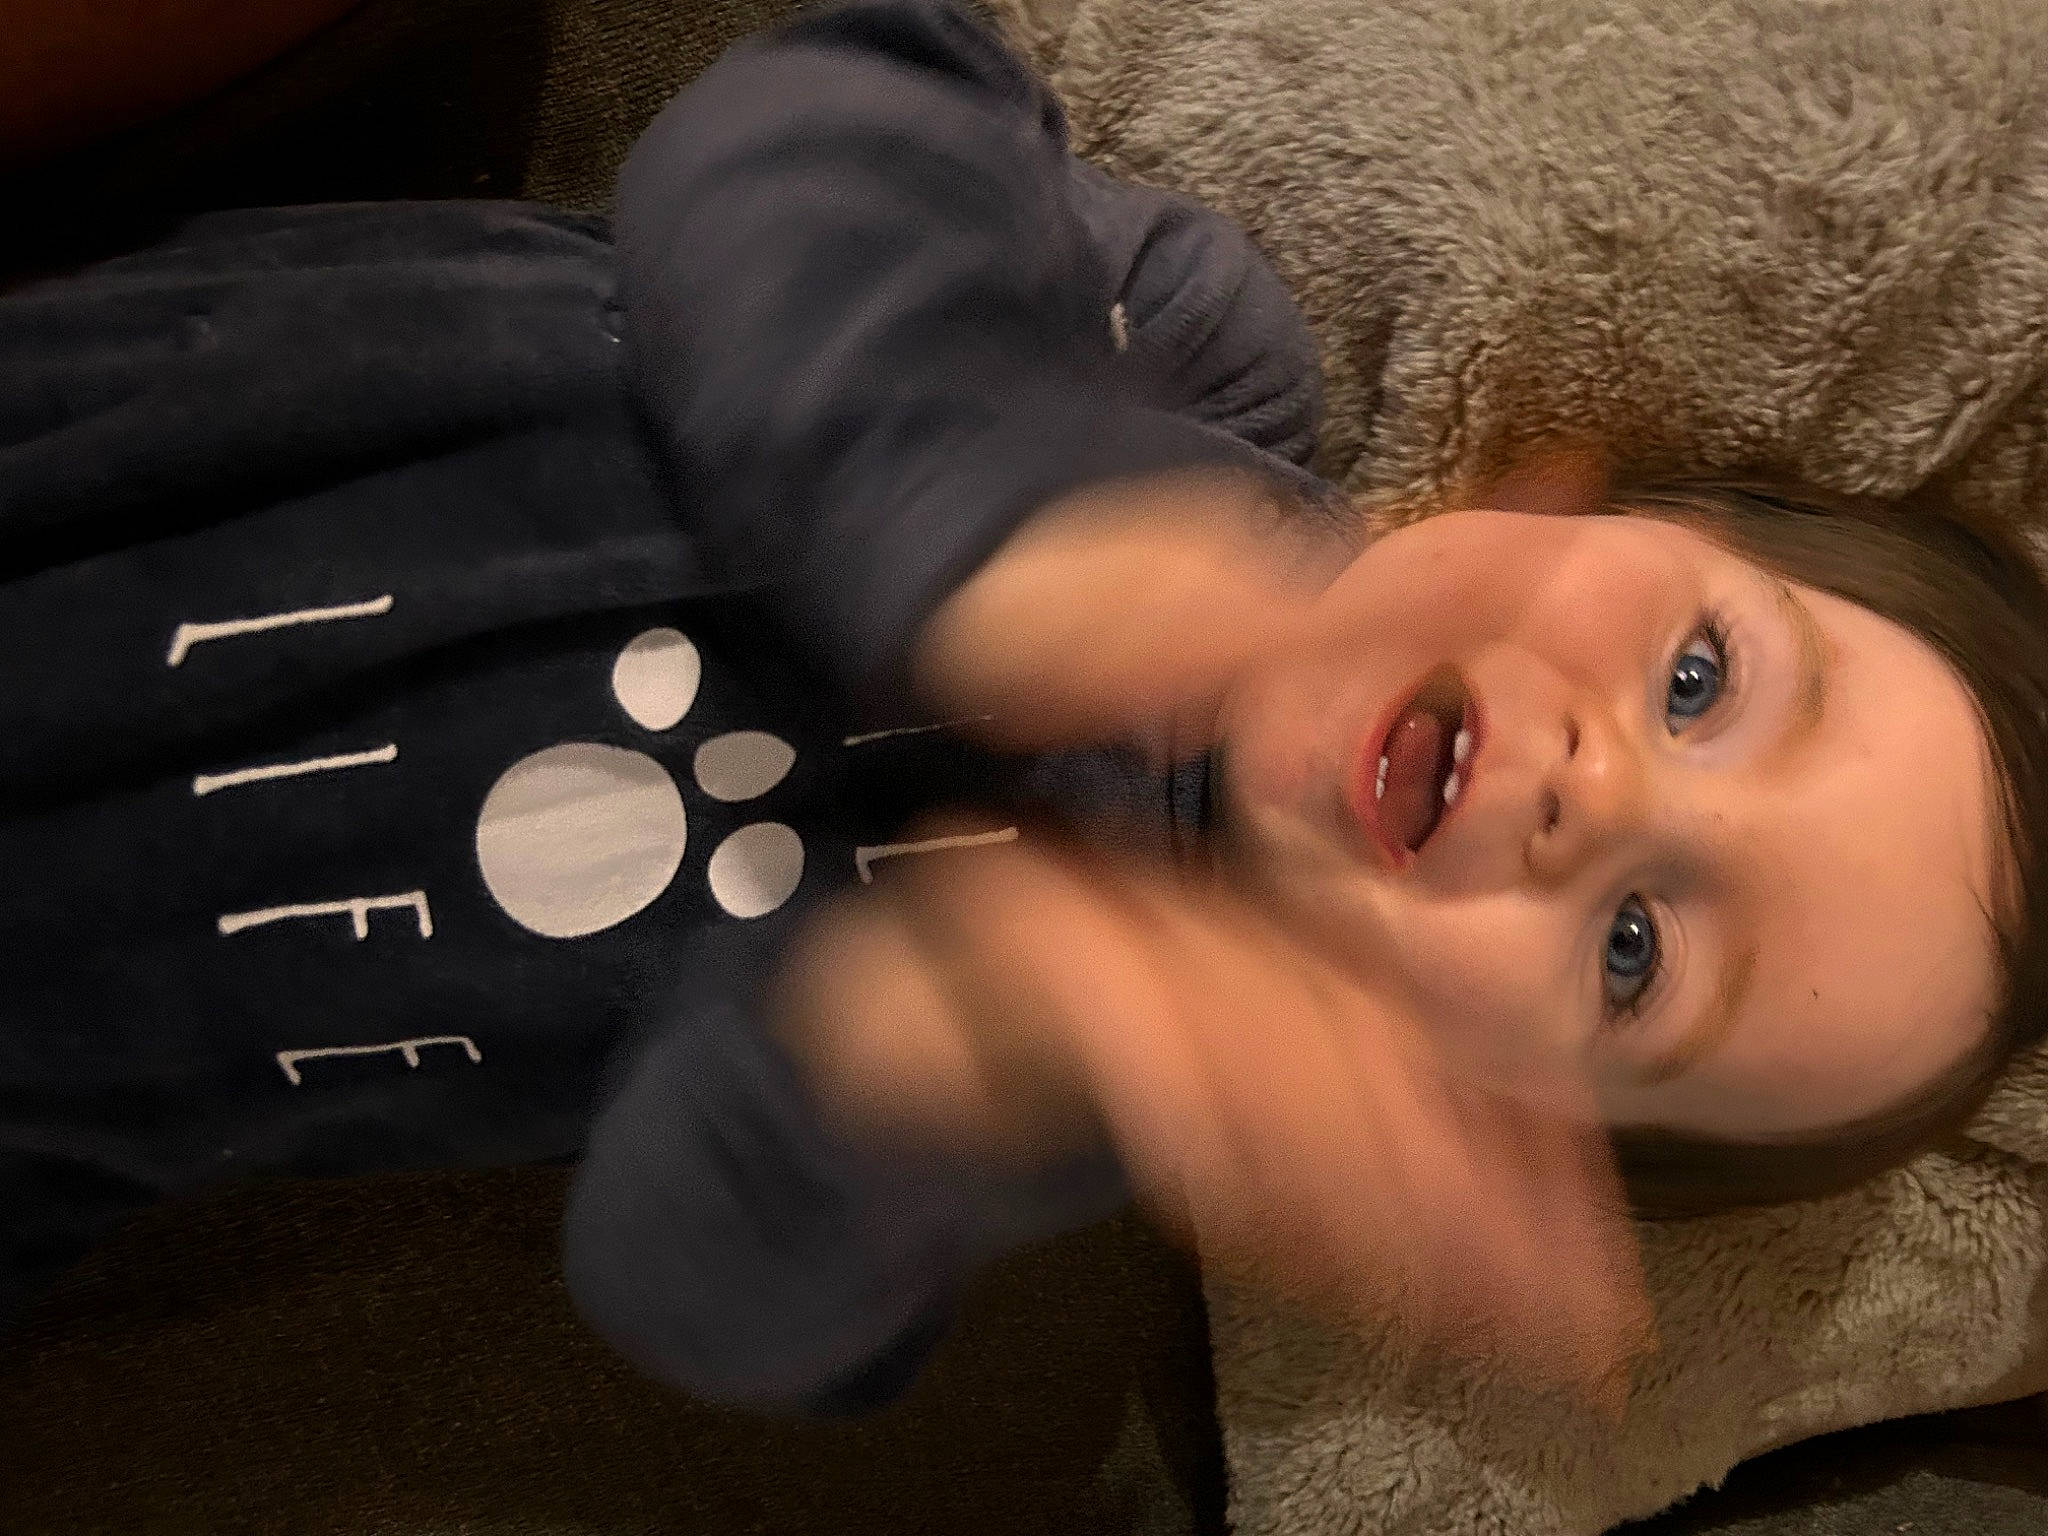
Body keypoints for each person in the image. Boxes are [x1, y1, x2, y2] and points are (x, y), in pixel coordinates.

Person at [1, 0, 2042, 1419]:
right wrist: (982, 530)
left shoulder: (1072, 1100)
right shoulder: (1188, 371)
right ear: (1565, 491)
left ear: (1463, 1122)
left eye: (1631, 953)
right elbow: (794, 136)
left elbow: (686, 1274)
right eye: (1698, 678)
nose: (1596, 799)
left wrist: (975, 1008)